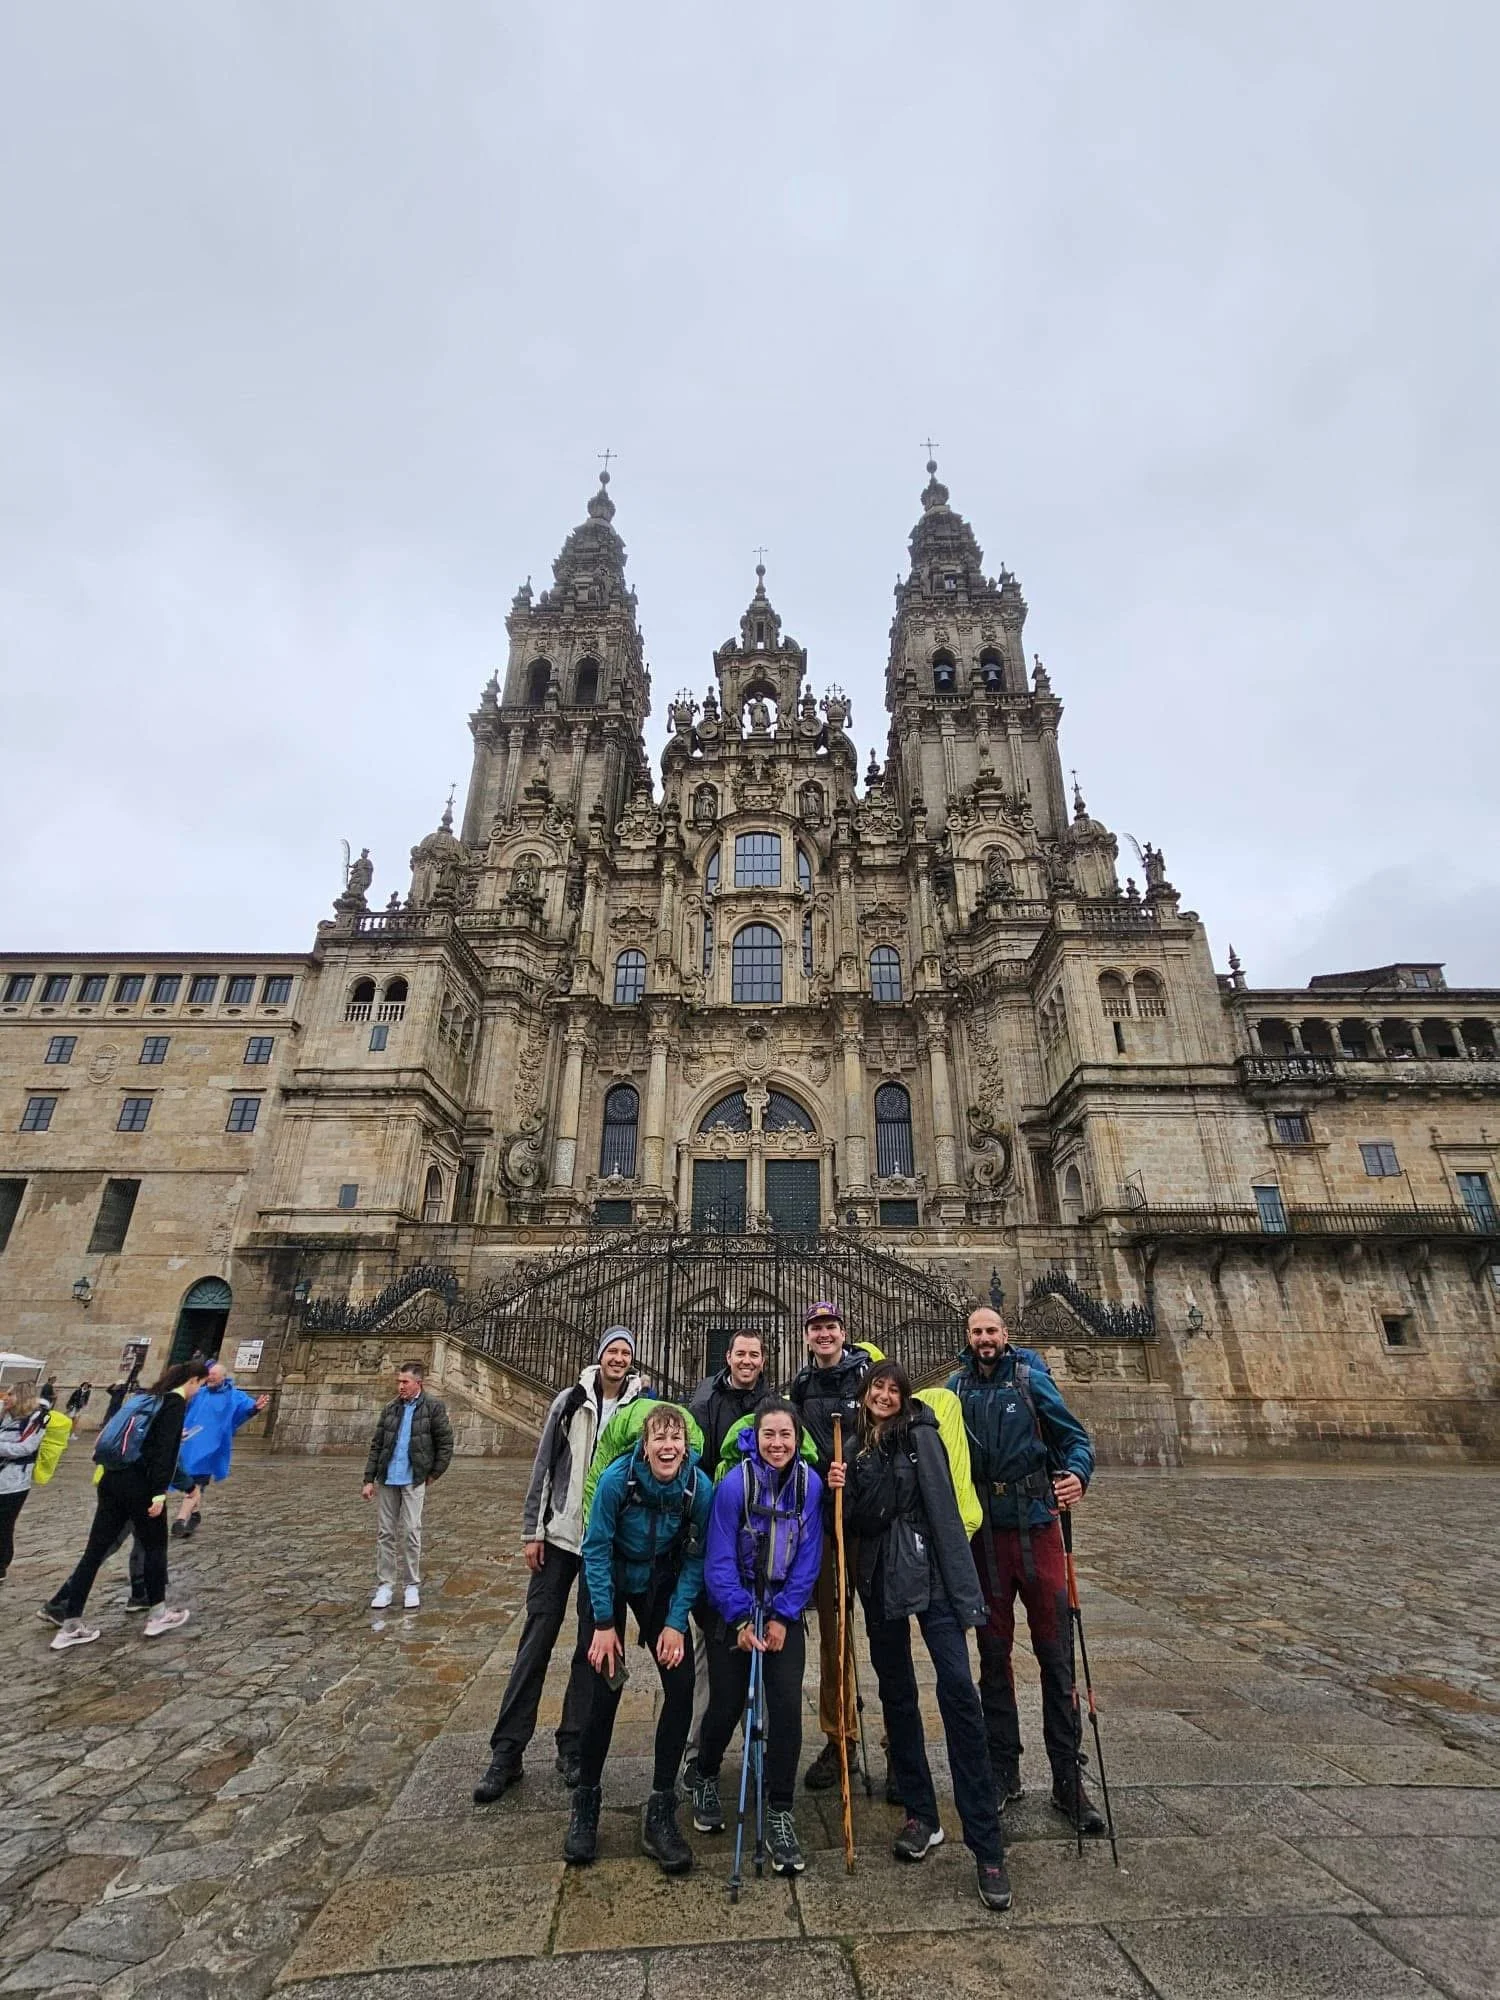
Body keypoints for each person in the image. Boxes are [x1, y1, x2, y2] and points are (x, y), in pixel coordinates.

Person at [830, 1361, 1011, 1911]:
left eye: (892, 1388)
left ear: (903, 1396)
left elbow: (944, 1513)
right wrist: (837, 1488)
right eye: (876, 1387)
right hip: (881, 1582)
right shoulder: (856, 1446)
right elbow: (857, 1523)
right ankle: (921, 1813)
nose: (883, 1395)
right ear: (865, 1394)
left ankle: (986, 1845)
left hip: (930, 1577)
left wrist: (965, 1594)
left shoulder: (921, 1436)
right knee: (897, 1698)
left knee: (958, 1693)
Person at [473, 1327, 648, 1803]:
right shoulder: (569, 1402)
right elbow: (543, 1466)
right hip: (558, 1537)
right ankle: (506, 1751)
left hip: (604, 1545)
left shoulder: (638, 1408)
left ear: (632, 1361)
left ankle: (572, 1746)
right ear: (600, 1357)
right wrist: (532, 1530)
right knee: (536, 1642)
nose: (618, 1358)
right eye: (612, 1351)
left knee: (592, 1649)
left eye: (625, 1353)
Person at [948, 1303, 1103, 1832]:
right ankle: (1003, 1769)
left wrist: (1077, 1475)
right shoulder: (956, 1390)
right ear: (967, 1338)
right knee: (993, 1657)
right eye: (976, 1331)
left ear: (1004, 1334)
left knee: (1056, 1656)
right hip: (986, 1537)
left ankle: (1067, 1777)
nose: (984, 1338)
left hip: (1037, 1530)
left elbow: (1075, 1440)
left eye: (991, 1330)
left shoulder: (1031, 1380)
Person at [564, 1402, 711, 1875]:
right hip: (608, 1579)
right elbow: (596, 1549)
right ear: (644, 1446)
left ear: (686, 1447)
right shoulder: (615, 1482)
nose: (668, 1447)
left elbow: (695, 1558)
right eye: (659, 1439)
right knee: (603, 1686)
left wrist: (674, 1621)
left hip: (660, 1581)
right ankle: (586, 1800)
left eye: (676, 1440)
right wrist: (605, 1624)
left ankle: (661, 1806)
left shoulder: (697, 1487)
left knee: (682, 1684)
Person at [692, 1397, 823, 1875]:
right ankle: (705, 1773)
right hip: (735, 1607)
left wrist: (784, 1616)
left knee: (787, 1705)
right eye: (769, 1434)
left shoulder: (809, 1486)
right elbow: (718, 1560)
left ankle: (781, 1807)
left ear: (797, 1439)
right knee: (726, 1703)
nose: (777, 1444)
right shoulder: (733, 1485)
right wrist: (743, 1619)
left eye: (785, 1435)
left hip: (783, 1610)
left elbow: (809, 1557)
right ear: (756, 1437)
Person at [44, 1359, 210, 1648]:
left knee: (94, 1552)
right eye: (201, 1384)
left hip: (111, 1479)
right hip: (141, 1487)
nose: (199, 1391)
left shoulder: (148, 1398)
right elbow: (163, 1457)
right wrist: (161, 1493)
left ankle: (69, 1623)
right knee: (156, 1547)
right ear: (193, 1380)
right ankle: (157, 1613)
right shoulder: (174, 1404)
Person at [786, 1301, 874, 1789]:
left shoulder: (869, 1376)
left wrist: (855, 1463)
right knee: (834, 1635)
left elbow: (888, 1428)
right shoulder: (801, 1385)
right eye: (816, 1326)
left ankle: (898, 1746)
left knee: (886, 1636)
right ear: (806, 1335)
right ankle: (841, 1737)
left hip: (869, 1518)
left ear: (844, 1332)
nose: (824, 1333)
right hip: (824, 1518)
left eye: (832, 1326)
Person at [683, 1330, 768, 1769]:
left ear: (763, 1359)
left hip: (765, 1550)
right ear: (728, 1358)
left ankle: (761, 1751)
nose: (747, 1361)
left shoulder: (776, 1409)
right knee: (708, 1652)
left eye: (754, 1354)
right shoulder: (704, 1406)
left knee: (765, 1648)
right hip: (717, 1546)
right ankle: (699, 1753)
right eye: (740, 1354)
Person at [361, 1359, 453, 1612]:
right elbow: (377, 1445)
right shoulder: (390, 1408)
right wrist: (369, 1479)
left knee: (412, 1531)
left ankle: (411, 1583)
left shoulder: (433, 1407)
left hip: (414, 1478)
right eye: (399, 1381)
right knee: (385, 1533)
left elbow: (445, 1443)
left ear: (418, 1383)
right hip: (388, 1478)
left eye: (405, 1382)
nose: (400, 1386)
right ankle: (385, 1585)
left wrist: (433, 1474)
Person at [170, 1362, 269, 1538]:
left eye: (215, 1374)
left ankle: (180, 1520)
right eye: (209, 1374)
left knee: (196, 1482)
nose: (211, 1376)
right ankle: (195, 1514)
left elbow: (246, 1410)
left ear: (223, 1376)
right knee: (192, 1483)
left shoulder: (234, 1396)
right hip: (189, 1444)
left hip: (212, 1447)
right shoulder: (198, 1392)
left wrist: (255, 1408)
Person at [0, 1386, 47, 1580]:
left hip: (14, 1482)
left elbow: (26, 1447)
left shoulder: (35, 1420)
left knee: (3, 1525)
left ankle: (1, 1565)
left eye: (11, 1394)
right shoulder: (4, 1415)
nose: (6, 1397)